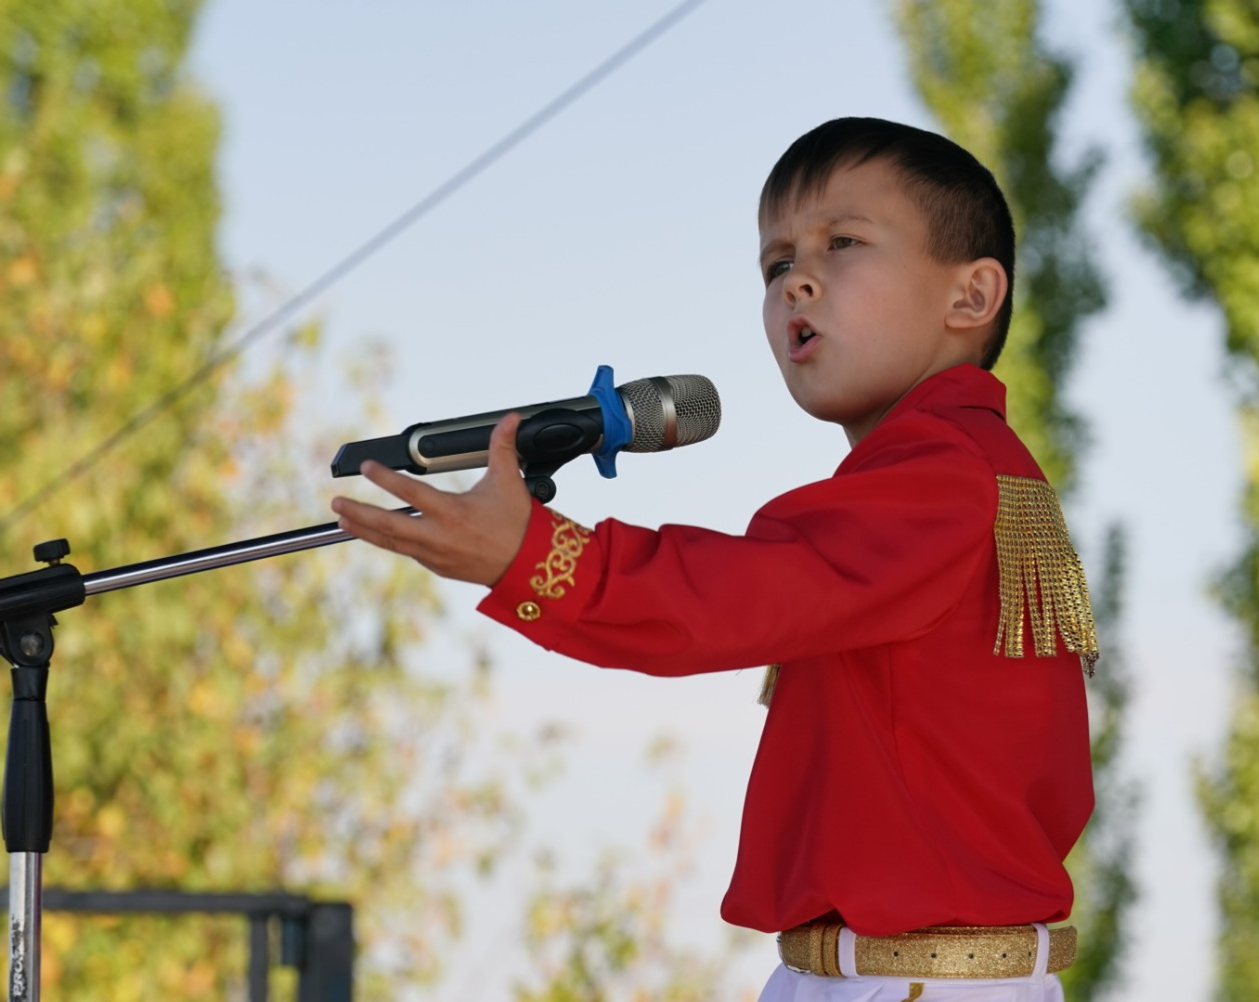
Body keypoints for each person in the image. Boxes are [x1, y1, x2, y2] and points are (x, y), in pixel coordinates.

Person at [332, 117, 1099, 1002]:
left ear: (971, 295)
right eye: (776, 265)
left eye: (843, 244)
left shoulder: (941, 476)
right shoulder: (954, 472)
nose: (796, 281)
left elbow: (739, 597)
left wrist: (532, 558)